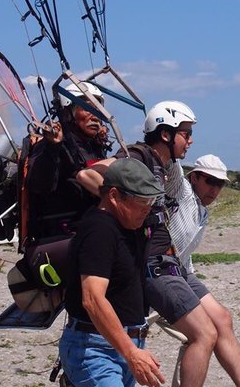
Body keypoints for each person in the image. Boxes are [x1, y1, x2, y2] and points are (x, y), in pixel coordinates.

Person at [77, 101, 217, 387]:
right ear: (166, 134)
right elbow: (87, 174)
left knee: (218, 325)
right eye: (186, 134)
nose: (190, 141)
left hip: (150, 279)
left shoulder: (165, 166)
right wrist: (122, 204)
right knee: (204, 333)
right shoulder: (140, 157)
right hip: (153, 267)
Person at [59, 157, 166, 387]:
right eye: (142, 200)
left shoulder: (131, 226)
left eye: (152, 200)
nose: (148, 208)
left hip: (124, 344)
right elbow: (92, 299)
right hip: (94, 349)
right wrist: (131, 353)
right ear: (115, 196)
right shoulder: (99, 230)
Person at [166, 154, 240, 386]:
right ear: (194, 177)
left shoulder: (202, 211)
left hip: (181, 271)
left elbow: (184, 248)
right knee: (201, 333)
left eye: (220, 184)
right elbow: (170, 161)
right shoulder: (181, 190)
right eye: (210, 181)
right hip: (157, 272)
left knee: (221, 320)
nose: (215, 190)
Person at [25, 82, 110, 242]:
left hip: (91, 230)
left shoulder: (93, 146)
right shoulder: (52, 144)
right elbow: (39, 185)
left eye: (98, 109)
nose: (95, 116)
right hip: (62, 237)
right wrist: (53, 147)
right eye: (87, 108)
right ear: (68, 112)